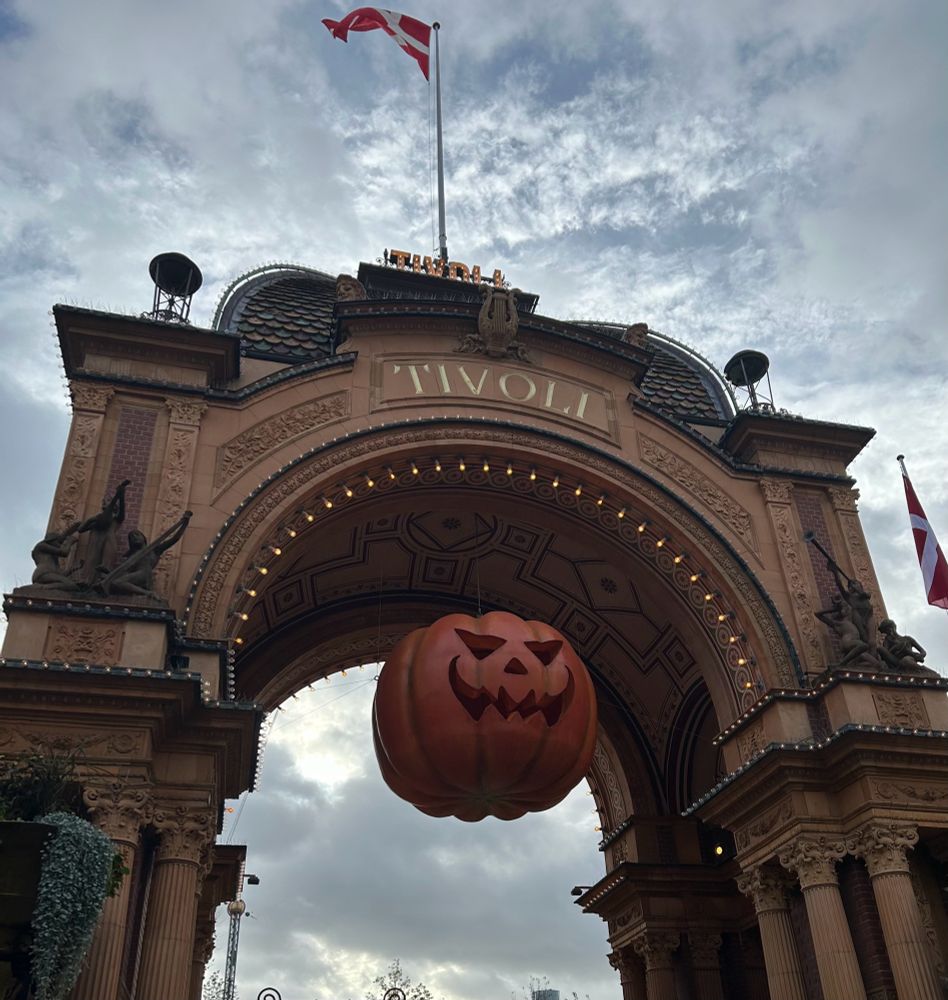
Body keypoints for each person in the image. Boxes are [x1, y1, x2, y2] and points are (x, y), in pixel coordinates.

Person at [98, 511, 192, 600]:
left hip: (145, 574)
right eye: (131, 538)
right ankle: (146, 593)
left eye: (137, 535)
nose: (134, 538)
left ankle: (147, 593)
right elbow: (123, 571)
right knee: (115, 582)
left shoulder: (154, 550)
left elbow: (174, 538)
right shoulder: (132, 557)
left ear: (144, 538)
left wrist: (184, 524)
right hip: (136, 575)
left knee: (117, 582)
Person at [76, 479, 130, 583]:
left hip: (109, 540)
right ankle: (86, 581)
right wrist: (91, 520)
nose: (106, 503)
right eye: (104, 501)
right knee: (91, 561)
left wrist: (121, 494)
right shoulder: (98, 519)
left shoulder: (117, 518)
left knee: (106, 563)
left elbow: (122, 508)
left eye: (108, 501)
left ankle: (103, 580)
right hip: (95, 542)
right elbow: (80, 529)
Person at [815, 595, 879, 671]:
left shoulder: (851, 620)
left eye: (847, 607)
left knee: (877, 664)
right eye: (845, 608)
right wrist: (833, 609)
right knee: (864, 646)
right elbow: (818, 614)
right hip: (847, 643)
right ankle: (842, 663)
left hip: (855, 648)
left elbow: (852, 607)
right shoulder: (838, 624)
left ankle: (851, 663)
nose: (847, 609)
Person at [30, 522, 82, 590]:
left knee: (72, 586)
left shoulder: (53, 558)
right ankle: (41, 587)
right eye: (59, 542)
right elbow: (64, 552)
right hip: (43, 573)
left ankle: (43, 587)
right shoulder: (41, 546)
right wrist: (70, 541)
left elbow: (60, 574)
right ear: (52, 540)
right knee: (70, 585)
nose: (60, 545)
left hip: (49, 573)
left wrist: (75, 569)